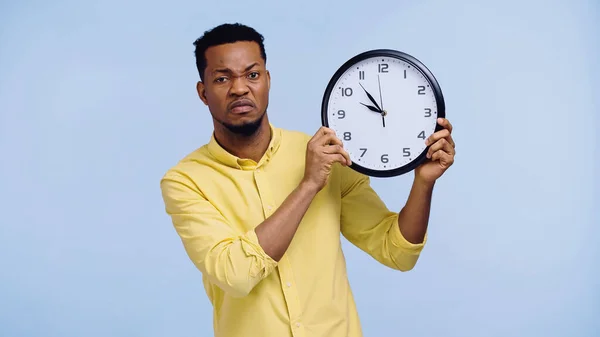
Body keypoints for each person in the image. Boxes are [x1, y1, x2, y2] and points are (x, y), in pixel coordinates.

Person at [160, 22, 456, 337]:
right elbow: (235, 273)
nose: (240, 88)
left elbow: (396, 251)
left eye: (252, 74)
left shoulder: (327, 157)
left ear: (268, 80)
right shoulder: (185, 181)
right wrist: (308, 185)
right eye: (222, 78)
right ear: (203, 93)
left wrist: (423, 182)